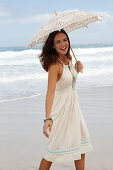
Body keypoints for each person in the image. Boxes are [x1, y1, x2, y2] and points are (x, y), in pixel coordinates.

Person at [38, 29, 93, 170]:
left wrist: (77, 69)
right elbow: (50, 92)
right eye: (58, 42)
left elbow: (69, 83)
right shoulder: (55, 65)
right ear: (53, 46)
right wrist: (47, 118)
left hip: (74, 110)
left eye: (65, 40)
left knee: (81, 147)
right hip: (62, 111)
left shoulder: (69, 60)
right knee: (52, 151)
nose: (63, 44)